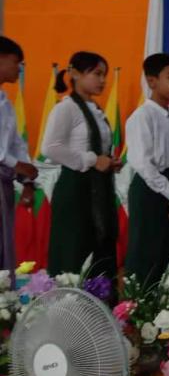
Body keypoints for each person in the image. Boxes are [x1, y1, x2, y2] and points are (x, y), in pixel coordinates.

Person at [43, 51, 119, 278]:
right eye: (97, 74)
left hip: (98, 189)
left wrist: (109, 162)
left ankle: (99, 297)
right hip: (75, 190)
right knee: (75, 249)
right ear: (75, 74)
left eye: (104, 75)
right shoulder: (66, 108)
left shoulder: (97, 110)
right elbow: (51, 148)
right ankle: (70, 298)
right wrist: (93, 160)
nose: (103, 80)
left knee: (100, 249)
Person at [125, 53, 169, 286]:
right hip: (149, 190)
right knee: (147, 252)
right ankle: (140, 304)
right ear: (152, 81)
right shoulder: (142, 116)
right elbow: (143, 164)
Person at [0, 37, 38, 276]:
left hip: (4, 183)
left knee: (4, 245)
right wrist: (17, 165)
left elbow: (17, 144)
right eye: (16, 62)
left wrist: (27, 181)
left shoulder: (6, 103)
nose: (19, 69)